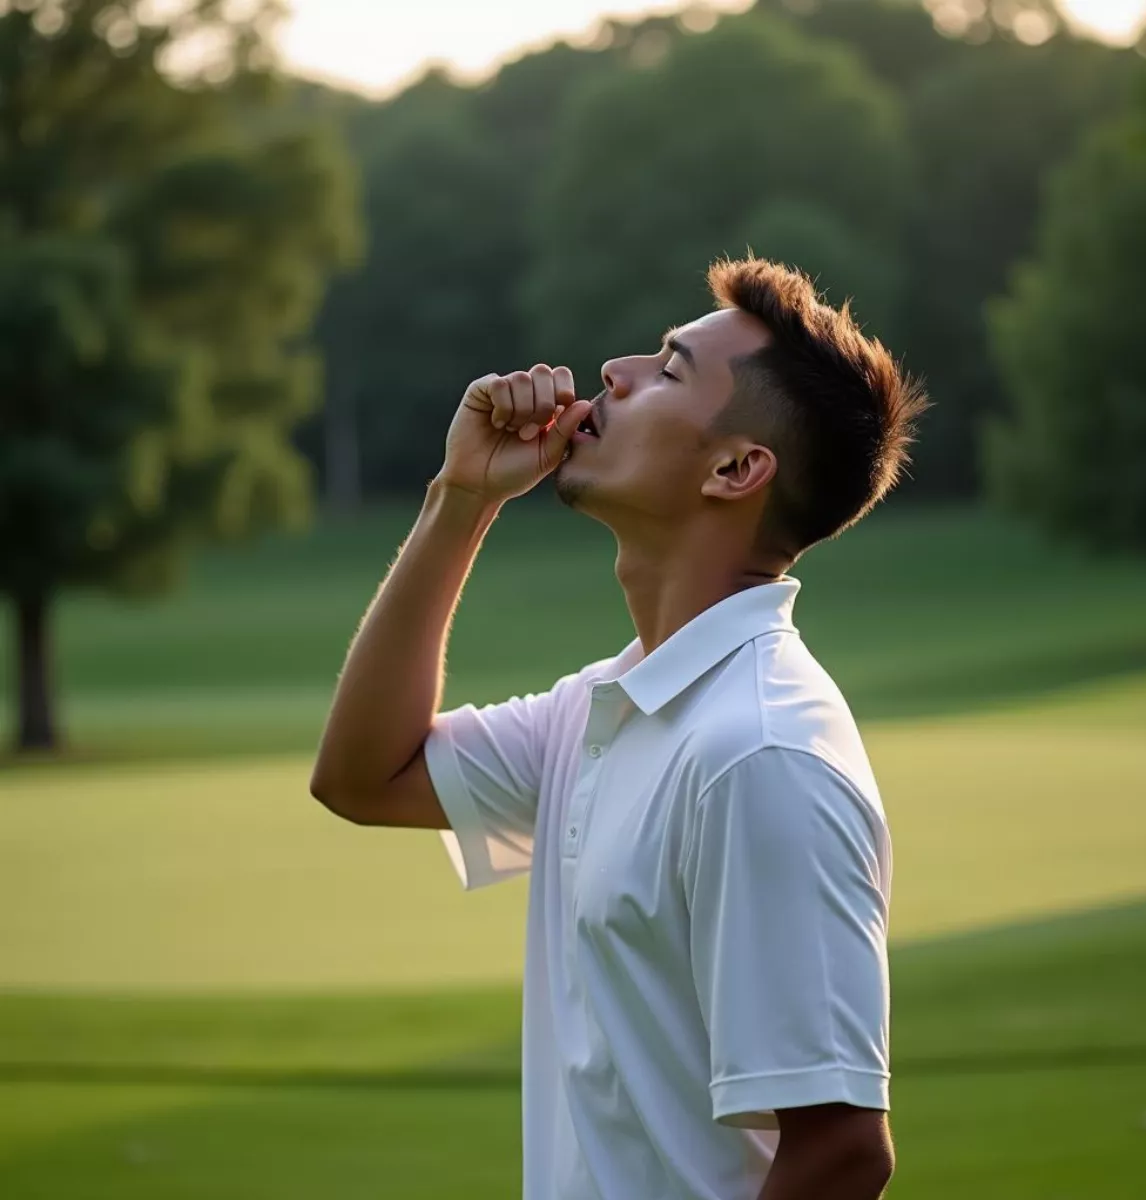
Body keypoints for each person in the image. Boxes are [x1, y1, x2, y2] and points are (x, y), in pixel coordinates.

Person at [310, 256, 927, 1200]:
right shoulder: (610, 705)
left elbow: (840, 1151)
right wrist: (460, 498)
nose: (616, 371)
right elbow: (363, 779)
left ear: (735, 468)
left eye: (670, 370)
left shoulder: (758, 754)